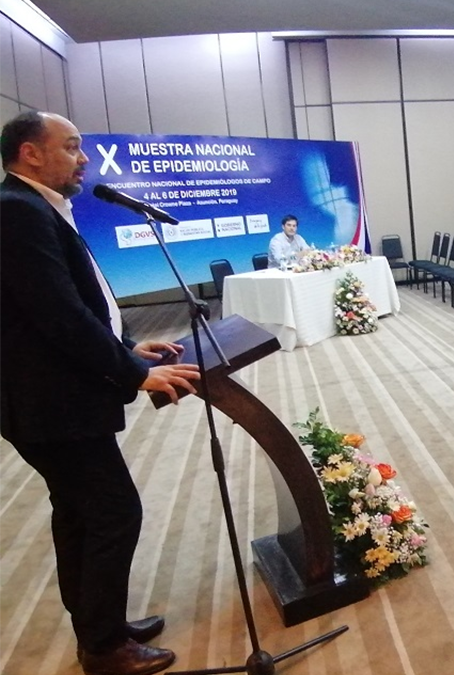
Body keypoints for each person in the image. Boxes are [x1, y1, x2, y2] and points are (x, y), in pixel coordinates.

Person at [0, 112, 201, 674]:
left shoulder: (35, 207)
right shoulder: (17, 211)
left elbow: (75, 300)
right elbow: (58, 315)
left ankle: (98, 626)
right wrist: (133, 373)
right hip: (50, 404)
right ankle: (105, 649)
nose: (84, 158)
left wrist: (129, 347)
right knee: (114, 512)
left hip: (54, 399)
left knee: (80, 514)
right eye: (71, 146)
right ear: (30, 153)